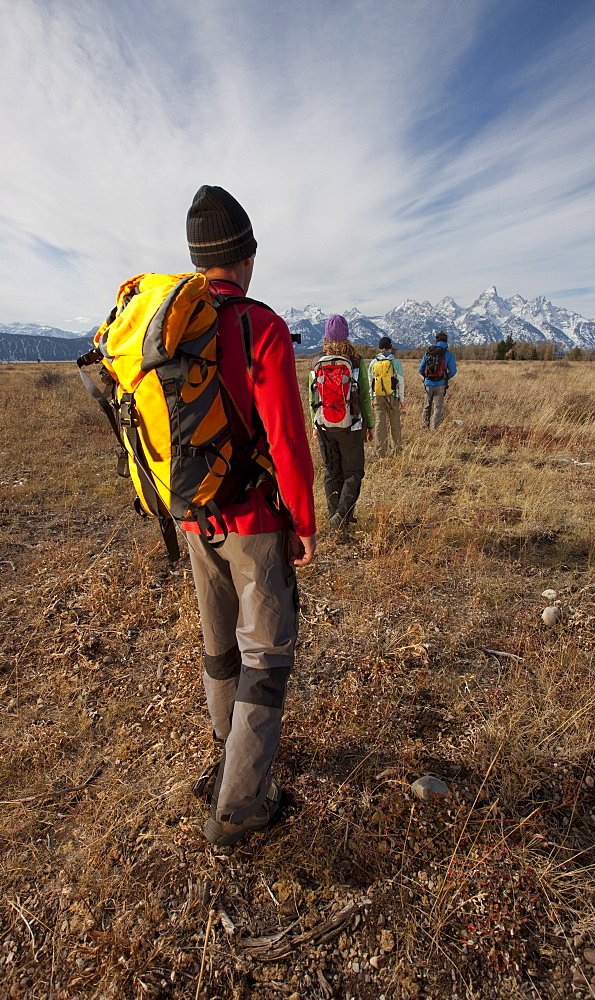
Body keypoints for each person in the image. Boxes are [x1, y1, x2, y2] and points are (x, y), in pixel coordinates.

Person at [183, 184, 316, 848]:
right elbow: (287, 440)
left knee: (219, 646)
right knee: (266, 659)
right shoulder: (258, 325)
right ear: (247, 256)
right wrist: (305, 522)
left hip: (192, 520)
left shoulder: (174, 327)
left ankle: (226, 754)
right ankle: (240, 807)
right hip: (255, 522)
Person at [309, 315, 373, 537]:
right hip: (351, 426)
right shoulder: (356, 361)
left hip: (324, 425)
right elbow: (364, 396)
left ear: (326, 337)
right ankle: (342, 514)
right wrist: (370, 424)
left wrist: (314, 424)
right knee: (353, 472)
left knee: (331, 472)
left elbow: (312, 397)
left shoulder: (316, 363)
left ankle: (335, 518)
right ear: (346, 336)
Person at [368, 336, 405, 456]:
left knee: (380, 424)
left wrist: (372, 397)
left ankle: (380, 451)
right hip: (393, 396)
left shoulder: (373, 363)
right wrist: (402, 399)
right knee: (395, 424)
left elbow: (370, 382)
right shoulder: (395, 362)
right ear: (390, 348)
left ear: (379, 348)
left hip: (378, 396)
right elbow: (400, 382)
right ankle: (396, 450)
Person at [419, 331, 457, 430]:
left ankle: (424, 428)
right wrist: (445, 377)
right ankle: (434, 429)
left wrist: (426, 377)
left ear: (436, 340)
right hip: (441, 384)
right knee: (437, 408)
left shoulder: (428, 352)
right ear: (446, 341)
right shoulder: (448, 354)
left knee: (427, 406)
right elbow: (453, 371)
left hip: (428, 383)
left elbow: (420, 369)